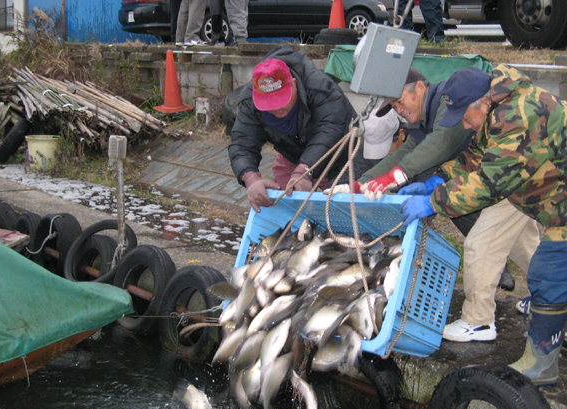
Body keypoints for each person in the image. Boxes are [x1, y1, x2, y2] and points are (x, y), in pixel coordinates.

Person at [401, 65, 567, 385]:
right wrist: (438, 178)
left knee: (547, 274)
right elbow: (475, 158)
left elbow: (489, 183)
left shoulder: (516, 117)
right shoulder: (504, 105)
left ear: (482, 103)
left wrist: (432, 202)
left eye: (464, 115)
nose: (463, 123)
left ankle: (540, 364)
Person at [328, 67, 537, 342]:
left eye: (400, 101)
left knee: (482, 243)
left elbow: (441, 145)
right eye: (392, 107)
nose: (399, 110)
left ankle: (479, 321)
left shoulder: (450, 103)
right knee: (520, 237)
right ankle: (549, 294)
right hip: (504, 172)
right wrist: (363, 183)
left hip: (508, 173)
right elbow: (409, 151)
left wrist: (419, 189)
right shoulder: (428, 114)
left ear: (421, 88)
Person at [227, 46, 357, 212]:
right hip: (292, 155)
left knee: (339, 211)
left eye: (281, 101)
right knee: (284, 210)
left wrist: (305, 169)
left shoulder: (320, 88)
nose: (277, 110)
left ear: (293, 84)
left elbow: (330, 129)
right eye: (269, 105)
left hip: (341, 155)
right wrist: (250, 177)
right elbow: (242, 143)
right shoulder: (249, 101)